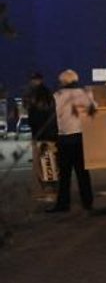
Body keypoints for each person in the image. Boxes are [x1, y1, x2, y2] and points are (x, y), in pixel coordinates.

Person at [49, 69, 97, 213]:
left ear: (63, 82)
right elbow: (95, 109)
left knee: (64, 174)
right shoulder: (84, 94)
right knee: (83, 172)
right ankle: (87, 202)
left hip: (65, 138)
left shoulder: (58, 96)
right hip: (82, 137)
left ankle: (63, 204)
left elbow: (53, 115)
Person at [24, 72, 58, 201]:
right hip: (47, 133)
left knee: (46, 162)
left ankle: (50, 192)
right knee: (47, 161)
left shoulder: (39, 95)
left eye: (34, 80)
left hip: (43, 134)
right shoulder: (46, 93)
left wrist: (37, 131)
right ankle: (49, 190)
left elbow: (39, 116)